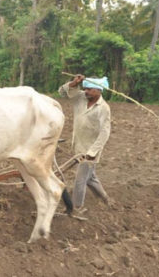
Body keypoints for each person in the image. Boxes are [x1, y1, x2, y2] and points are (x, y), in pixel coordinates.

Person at [59, 74, 113, 214]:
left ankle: (77, 207)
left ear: (99, 90)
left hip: (90, 150)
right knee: (90, 178)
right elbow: (62, 93)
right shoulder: (80, 97)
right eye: (86, 88)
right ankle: (106, 199)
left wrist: (92, 152)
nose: (87, 91)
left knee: (80, 179)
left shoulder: (103, 108)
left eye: (90, 89)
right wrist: (74, 83)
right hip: (78, 145)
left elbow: (105, 132)